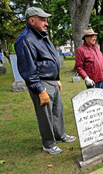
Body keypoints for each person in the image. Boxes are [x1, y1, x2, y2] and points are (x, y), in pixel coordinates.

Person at [14, 7, 76, 155]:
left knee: (57, 110)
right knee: (45, 115)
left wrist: (57, 79)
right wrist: (39, 89)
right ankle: (48, 143)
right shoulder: (25, 39)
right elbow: (28, 69)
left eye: (46, 19)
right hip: (41, 82)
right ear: (32, 20)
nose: (46, 23)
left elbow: (52, 59)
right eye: (43, 19)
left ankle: (60, 135)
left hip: (52, 81)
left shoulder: (42, 36)